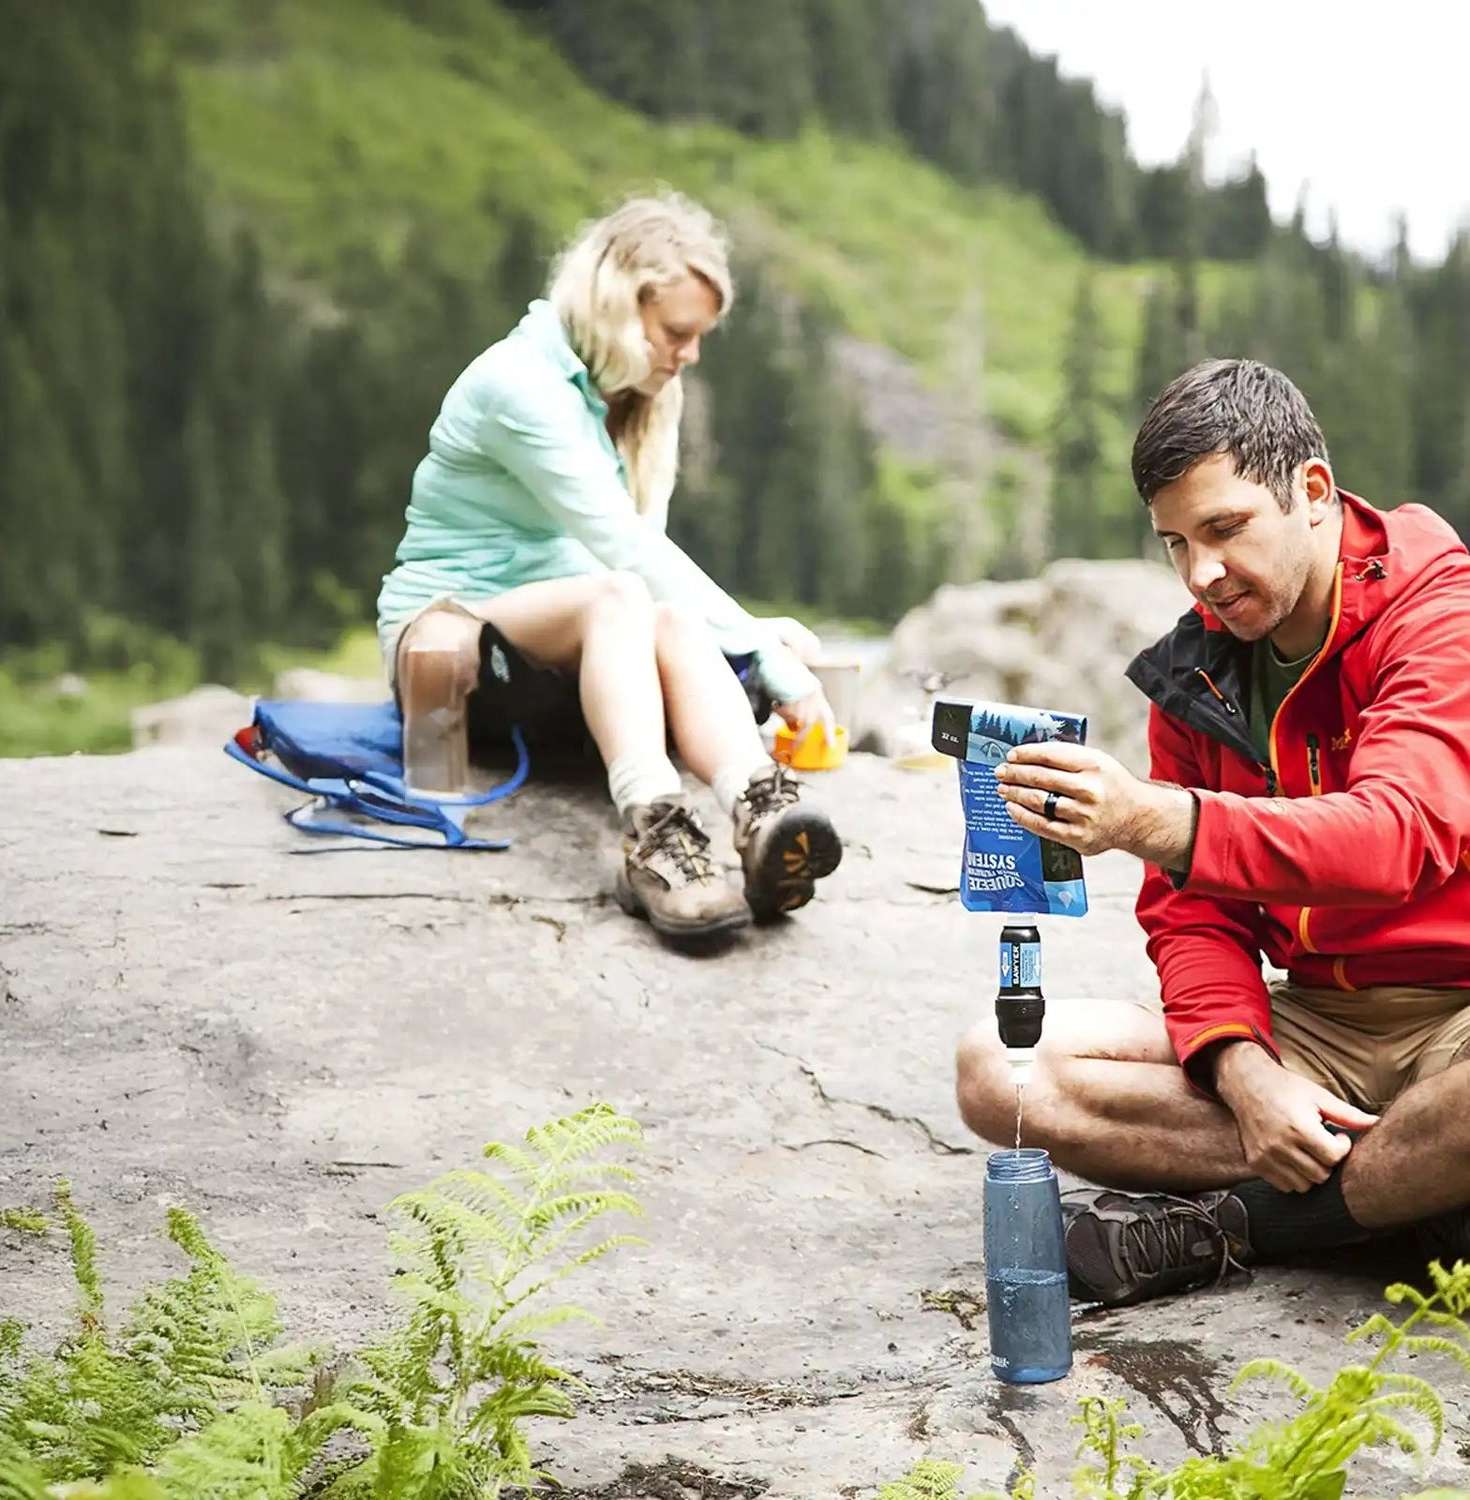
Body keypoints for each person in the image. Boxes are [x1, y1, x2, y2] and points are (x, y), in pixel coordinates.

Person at [955, 358, 1470, 1307]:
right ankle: (1411, 1184)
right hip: (1319, 1025)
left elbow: (1394, 835)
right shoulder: (1198, 673)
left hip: (1458, 1016)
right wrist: (1244, 1072)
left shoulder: (1440, 617)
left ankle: (1239, 1228)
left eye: (1226, 530)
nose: (1203, 574)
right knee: (1001, 1071)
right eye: (1176, 543)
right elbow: (1194, 919)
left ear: (1311, 492)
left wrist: (1153, 817)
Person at [375, 193, 843, 947]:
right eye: (676, 333)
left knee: (664, 614)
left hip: (563, 659)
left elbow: (643, 575)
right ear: (620, 307)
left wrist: (750, 634)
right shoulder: (517, 385)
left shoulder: (626, 393)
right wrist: (763, 655)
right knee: (623, 594)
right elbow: (625, 551)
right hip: (451, 650)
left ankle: (760, 808)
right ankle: (655, 834)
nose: (688, 355)